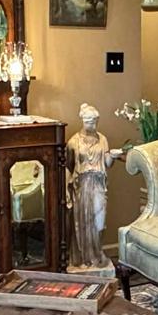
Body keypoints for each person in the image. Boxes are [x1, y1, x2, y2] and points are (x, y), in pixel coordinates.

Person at [65, 102, 123, 271]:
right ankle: (82, 258)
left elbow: (107, 163)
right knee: (82, 222)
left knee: (99, 222)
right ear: (83, 120)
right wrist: (66, 190)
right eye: (89, 122)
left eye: (95, 121)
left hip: (98, 184)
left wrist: (112, 155)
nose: (93, 125)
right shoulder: (73, 142)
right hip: (81, 185)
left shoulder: (102, 139)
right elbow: (68, 167)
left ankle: (97, 254)